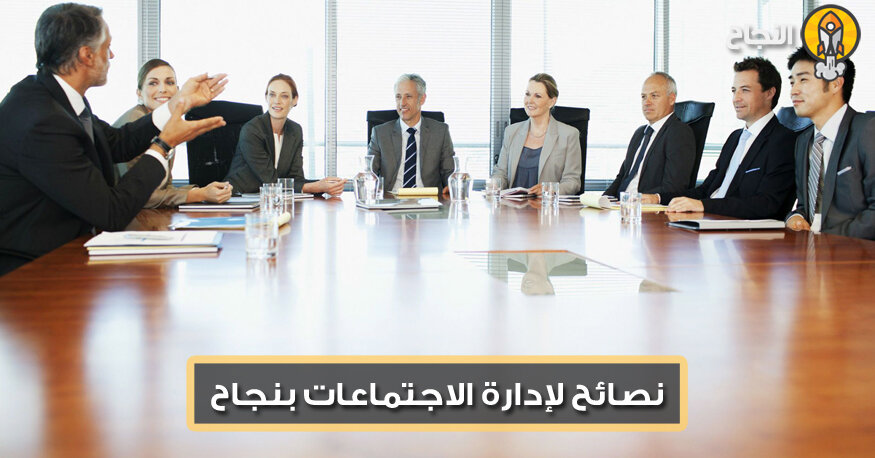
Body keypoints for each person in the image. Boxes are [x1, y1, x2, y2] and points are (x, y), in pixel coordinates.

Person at [0, 3, 228, 275]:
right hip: (31, 273)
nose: (112, 55)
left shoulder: (57, 97)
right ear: (87, 55)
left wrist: (179, 102)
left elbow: (117, 143)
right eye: (107, 47)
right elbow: (110, 212)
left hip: (66, 255)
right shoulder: (43, 121)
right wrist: (164, 144)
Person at [642, 57, 797, 220]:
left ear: (769, 93)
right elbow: (705, 190)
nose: (736, 98)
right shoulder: (735, 138)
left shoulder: (783, 141)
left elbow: (767, 205)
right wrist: (658, 199)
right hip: (710, 219)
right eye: (734, 91)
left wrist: (703, 206)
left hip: (738, 228)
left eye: (745, 90)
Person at [113, 58, 232, 207]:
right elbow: (136, 194)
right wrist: (199, 194)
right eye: (153, 83)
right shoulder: (133, 124)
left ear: (178, 90)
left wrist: (204, 190)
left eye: (169, 82)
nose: (163, 89)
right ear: (139, 93)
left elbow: (164, 187)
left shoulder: (168, 123)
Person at [784, 48, 875, 239]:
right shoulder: (804, 141)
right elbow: (806, 206)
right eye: (792, 82)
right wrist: (796, 217)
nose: (793, 91)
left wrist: (827, 239)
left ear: (835, 84)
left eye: (803, 80)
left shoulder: (867, 130)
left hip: (854, 253)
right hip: (811, 250)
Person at [224, 74, 345, 195]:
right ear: (266, 97)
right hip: (239, 198)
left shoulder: (295, 130)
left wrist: (325, 185)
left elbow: (296, 178)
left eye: (284, 96)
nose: (277, 101)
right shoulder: (252, 130)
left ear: (295, 99)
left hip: (275, 199)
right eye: (272, 95)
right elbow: (270, 181)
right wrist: (315, 187)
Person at [603, 72, 696, 198]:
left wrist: (639, 199)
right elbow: (622, 177)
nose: (647, 102)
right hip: (621, 204)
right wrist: (604, 199)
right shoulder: (640, 133)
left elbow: (674, 187)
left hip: (645, 206)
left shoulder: (679, 133)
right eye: (643, 97)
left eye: (654, 96)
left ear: (671, 99)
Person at [491, 73, 582, 196]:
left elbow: (572, 182)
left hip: (546, 205)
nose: (529, 100)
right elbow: (501, 173)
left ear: (552, 101)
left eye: (537, 96)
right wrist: (494, 184)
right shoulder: (511, 132)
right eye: (527, 94)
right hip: (512, 205)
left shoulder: (569, 135)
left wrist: (548, 189)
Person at [367, 73, 455, 194]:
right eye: (398, 97)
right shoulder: (380, 133)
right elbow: (369, 171)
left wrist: (452, 185)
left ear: (422, 99)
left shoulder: (440, 131)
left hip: (428, 199)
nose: (402, 103)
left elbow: (450, 172)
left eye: (408, 96)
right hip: (391, 199)